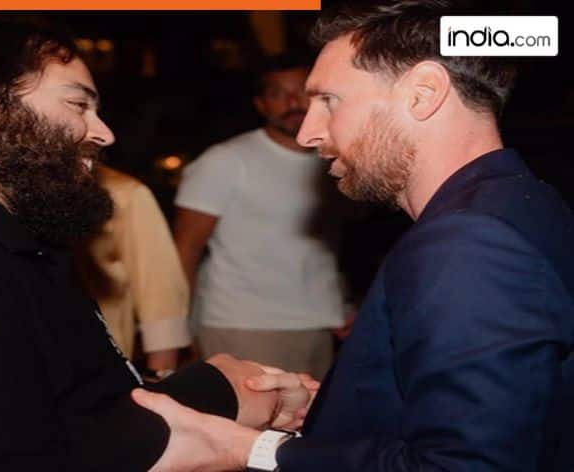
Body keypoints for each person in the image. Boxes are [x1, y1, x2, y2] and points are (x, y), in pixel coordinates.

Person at [133, 1, 574, 470]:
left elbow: (463, 464)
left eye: (328, 100)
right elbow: (511, 406)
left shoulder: (469, 241)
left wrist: (249, 448)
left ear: (423, 93)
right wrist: (333, 408)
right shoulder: (525, 201)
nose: (308, 132)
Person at [0, 17, 315, 471]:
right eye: (78, 104)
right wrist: (221, 404)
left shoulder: (12, 238)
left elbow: (80, 406)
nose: (104, 133)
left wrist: (221, 390)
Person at [174, 52, 347, 380]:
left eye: (302, 92)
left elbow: (325, 248)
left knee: (316, 414)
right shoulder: (225, 160)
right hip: (242, 325)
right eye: (278, 94)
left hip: (319, 324)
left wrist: (342, 305)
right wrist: (178, 329)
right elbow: (186, 247)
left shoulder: (335, 159)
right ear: (261, 105)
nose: (293, 103)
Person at [72, 164, 191, 377]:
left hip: (101, 364)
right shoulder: (12, 194)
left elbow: (159, 290)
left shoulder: (125, 192)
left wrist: (161, 375)